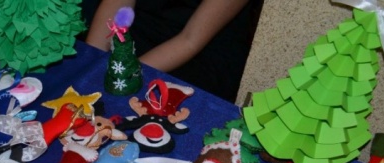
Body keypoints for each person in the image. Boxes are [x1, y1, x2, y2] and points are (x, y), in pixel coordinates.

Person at [84, 0, 262, 102]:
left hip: (200, 48)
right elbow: (117, 3)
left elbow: (190, 41)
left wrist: (124, 77)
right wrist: (91, 59)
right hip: (145, 20)